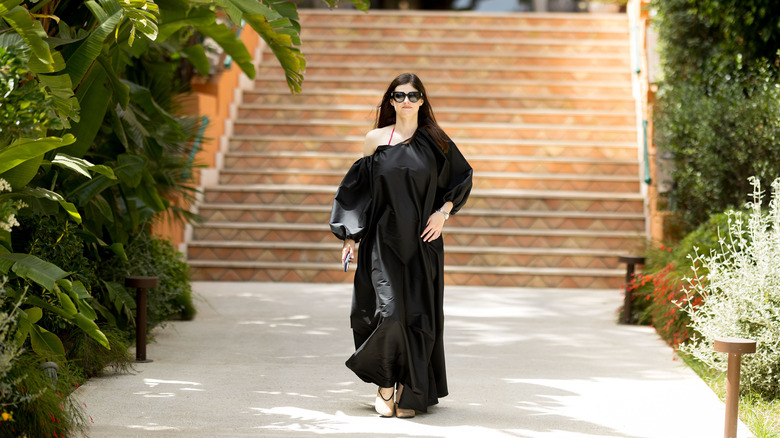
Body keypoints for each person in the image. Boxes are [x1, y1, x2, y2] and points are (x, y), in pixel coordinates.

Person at [329, 73, 473, 418]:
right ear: (390, 101)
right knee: (389, 314)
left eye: (412, 95)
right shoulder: (375, 140)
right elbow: (357, 191)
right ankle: (385, 384)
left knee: (418, 317)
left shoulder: (436, 141)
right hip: (382, 242)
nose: (406, 101)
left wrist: (443, 213)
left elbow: (462, 177)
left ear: (422, 101)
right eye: (399, 95)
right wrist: (350, 235)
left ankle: (411, 391)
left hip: (423, 242)